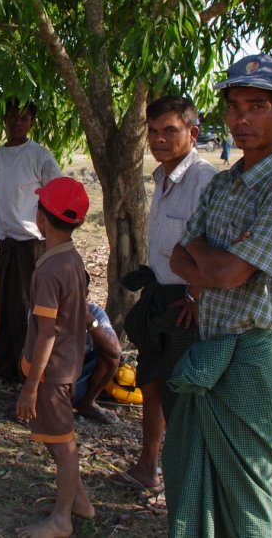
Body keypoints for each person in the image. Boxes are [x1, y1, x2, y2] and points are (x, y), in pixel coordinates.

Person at [166, 54, 272, 537]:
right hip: (207, 346)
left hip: (249, 357)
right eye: (234, 107)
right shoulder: (224, 183)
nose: (241, 119)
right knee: (190, 471)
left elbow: (227, 273)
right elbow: (177, 257)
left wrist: (207, 254)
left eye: (256, 107)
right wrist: (211, 256)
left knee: (245, 493)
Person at [116, 96, 217, 493]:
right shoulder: (162, 176)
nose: (159, 139)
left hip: (186, 302)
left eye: (170, 131)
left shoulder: (203, 180)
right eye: (153, 131)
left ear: (193, 133)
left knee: (182, 391)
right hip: (159, 293)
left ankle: (187, 481)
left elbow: (213, 245)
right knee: (152, 382)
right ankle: (149, 466)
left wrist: (195, 294)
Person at [14, 176, 94, 538]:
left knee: (63, 446)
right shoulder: (70, 258)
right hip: (65, 365)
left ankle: (62, 519)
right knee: (55, 437)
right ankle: (79, 501)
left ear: (41, 217)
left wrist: (31, 386)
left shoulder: (50, 269)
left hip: (50, 373)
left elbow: (47, 333)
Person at [0, 100, 62, 381]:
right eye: (12, 117)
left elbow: (56, 196)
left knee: (29, 307)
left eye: (24, 117)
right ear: (3, 119)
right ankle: (5, 366)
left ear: (32, 122)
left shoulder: (39, 156)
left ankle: (28, 370)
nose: (17, 123)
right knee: (6, 307)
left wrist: (53, 244)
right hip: (8, 244)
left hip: (33, 244)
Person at [72, 301, 122, 424]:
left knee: (111, 356)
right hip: (52, 380)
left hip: (79, 379)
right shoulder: (46, 308)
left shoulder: (95, 312)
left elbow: (115, 351)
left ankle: (87, 403)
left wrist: (89, 320)